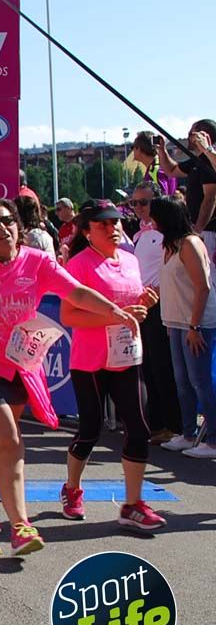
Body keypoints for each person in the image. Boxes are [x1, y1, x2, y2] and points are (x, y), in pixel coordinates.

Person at [0, 199, 137, 551]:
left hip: (22, 364)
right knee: (9, 439)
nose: (3, 229)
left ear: (19, 226)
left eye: (8, 221)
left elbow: (76, 292)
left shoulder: (37, 261)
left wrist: (115, 310)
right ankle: (20, 526)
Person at [60, 201, 165, 531]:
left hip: (127, 356)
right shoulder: (79, 265)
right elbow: (68, 316)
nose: (112, 228)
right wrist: (113, 315)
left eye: (116, 222)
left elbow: (133, 306)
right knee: (90, 430)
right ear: (88, 230)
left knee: (138, 426)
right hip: (91, 360)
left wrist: (145, 304)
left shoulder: (131, 262)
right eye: (103, 224)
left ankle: (132, 504)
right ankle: (72, 489)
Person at [150, 195, 216, 459]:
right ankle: (188, 434)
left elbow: (203, 287)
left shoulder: (190, 244)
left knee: (200, 381)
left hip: (196, 323)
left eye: (154, 215)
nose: (150, 220)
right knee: (182, 382)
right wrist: (171, 321)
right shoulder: (169, 245)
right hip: (176, 323)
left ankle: (212, 439)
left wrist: (194, 326)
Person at [130, 183, 183, 444]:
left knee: (164, 368)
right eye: (134, 203)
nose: (139, 208)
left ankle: (174, 425)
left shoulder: (164, 235)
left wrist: (157, 295)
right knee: (149, 367)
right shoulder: (140, 234)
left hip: (160, 305)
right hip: (143, 305)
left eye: (144, 202)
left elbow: (171, 270)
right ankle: (159, 423)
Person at [157, 120, 216, 248]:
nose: (187, 137)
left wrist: (198, 231)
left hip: (208, 231)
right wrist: (162, 150)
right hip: (198, 229)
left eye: (190, 133)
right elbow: (171, 171)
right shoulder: (197, 161)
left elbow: (210, 198)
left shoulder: (208, 162)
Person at [130, 131, 178, 196]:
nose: (132, 150)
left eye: (133, 147)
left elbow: (163, 199)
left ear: (139, 148)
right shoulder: (161, 166)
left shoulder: (156, 171)